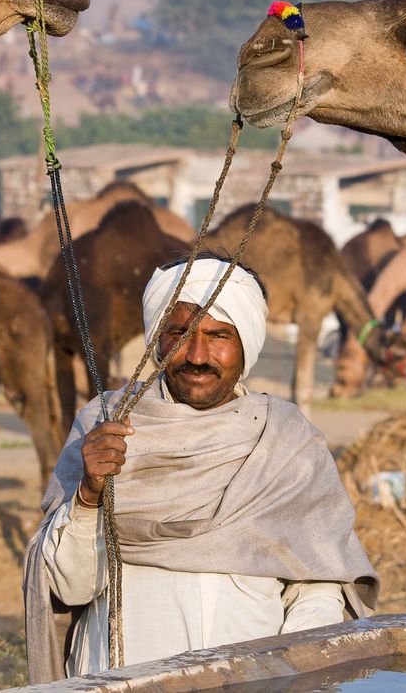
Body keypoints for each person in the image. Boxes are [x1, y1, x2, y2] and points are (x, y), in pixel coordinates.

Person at [23, 255, 378, 682]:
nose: (196, 354)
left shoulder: (285, 441)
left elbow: (319, 585)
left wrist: (288, 675)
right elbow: (68, 587)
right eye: (180, 333)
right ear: (157, 340)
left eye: (218, 335)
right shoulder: (104, 425)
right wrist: (89, 495)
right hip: (114, 677)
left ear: (247, 342)